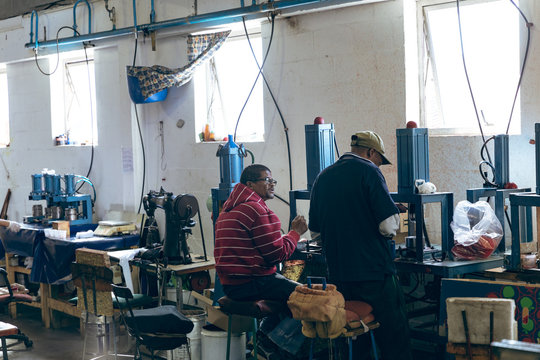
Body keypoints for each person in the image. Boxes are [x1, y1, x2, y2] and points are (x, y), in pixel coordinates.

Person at [308, 131, 412, 360]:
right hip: (374, 273)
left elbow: (315, 233)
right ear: (371, 152)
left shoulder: (322, 176)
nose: (380, 165)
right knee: (394, 334)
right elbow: (388, 227)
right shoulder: (369, 170)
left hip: (339, 275)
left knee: (356, 336)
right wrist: (393, 214)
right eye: (380, 160)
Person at [214, 164, 308, 358]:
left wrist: (287, 239)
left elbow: (258, 245)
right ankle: (275, 342)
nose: (272, 184)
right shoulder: (257, 210)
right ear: (250, 184)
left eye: (273, 180)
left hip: (231, 286)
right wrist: (295, 233)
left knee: (285, 291)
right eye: (267, 180)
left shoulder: (228, 210)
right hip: (253, 282)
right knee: (308, 299)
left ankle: (262, 336)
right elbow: (277, 255)